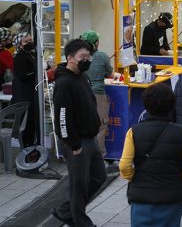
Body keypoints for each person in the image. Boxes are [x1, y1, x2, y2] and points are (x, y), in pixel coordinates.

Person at [119, 84, 182, 227]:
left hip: (141, 196)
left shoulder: (133, 132)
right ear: (171, 105)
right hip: (172, 195)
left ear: (146, 105)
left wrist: (132, 177)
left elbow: (124, 166)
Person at [52, 39, 107, 227]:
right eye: (82, 57)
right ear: (70, 58)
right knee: (79, 185)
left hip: (90, 138)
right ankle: (80, 221)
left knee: (99, 177)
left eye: (88, 56)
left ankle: (66, 211)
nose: (87, 60)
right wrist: (73, 144)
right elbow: (62, 118)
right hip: (76, 143)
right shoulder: (64, 83)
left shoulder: (82, 77)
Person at [81, 30, 113, 158]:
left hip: (82, 94)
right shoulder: (102, 56)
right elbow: (110, 74)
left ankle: (84, 155)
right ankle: (99, 157)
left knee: (84, 126)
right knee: (100, 126)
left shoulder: (79, 57)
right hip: (98, 95)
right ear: (96, 43)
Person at [11, 33, 39, 148]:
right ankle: (27, 147)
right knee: (27, 122)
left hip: (30, 92)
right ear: (20, 45)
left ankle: (32, 144)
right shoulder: (20, 57)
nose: (30, 42)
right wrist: (37, 73)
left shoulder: (30, 54)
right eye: (26, 41)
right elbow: (23, 75)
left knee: (31, 122)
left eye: (30, 40)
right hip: (24, 94)